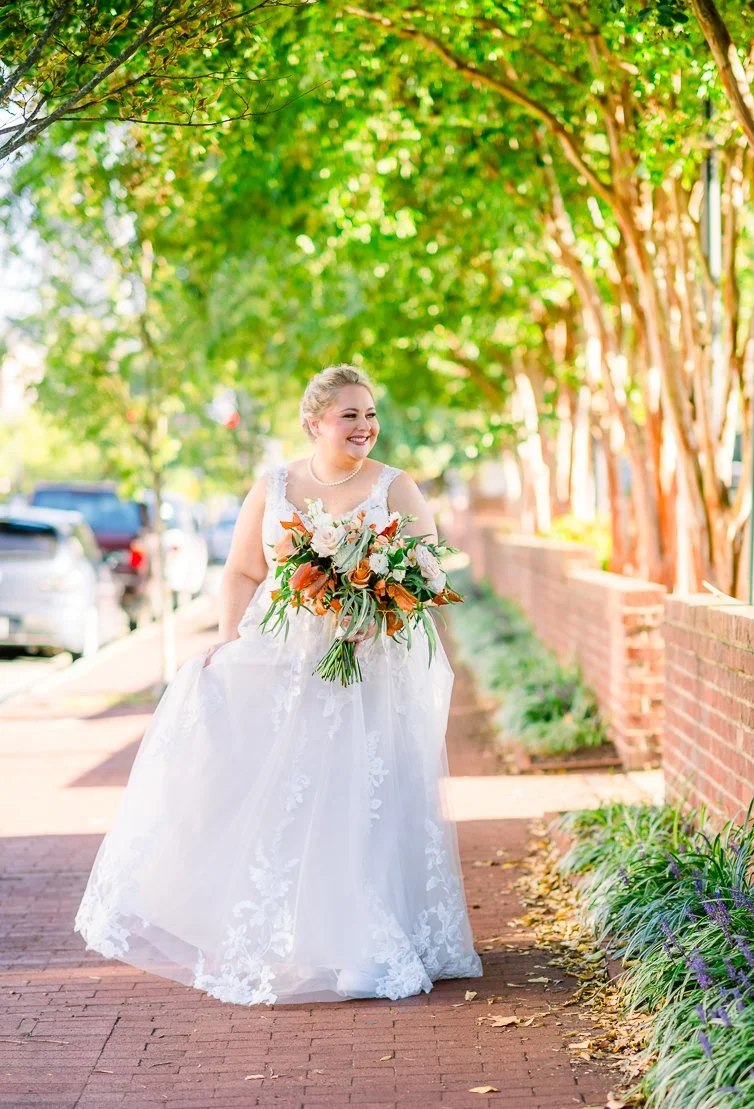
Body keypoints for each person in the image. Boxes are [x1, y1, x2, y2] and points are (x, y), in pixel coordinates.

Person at [75, 364, 483, 1005]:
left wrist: (376, 612)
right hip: (281, 659)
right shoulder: (273, 486)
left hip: (364, 664)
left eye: (370, 415)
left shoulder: (395, 488)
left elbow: (426, 573)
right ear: (316, 422)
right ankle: (298, 940)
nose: (365, 427)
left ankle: (361, 944)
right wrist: (234, 641)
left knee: (355, 799)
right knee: (288, 800)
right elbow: (241, 571)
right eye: (350, 415)